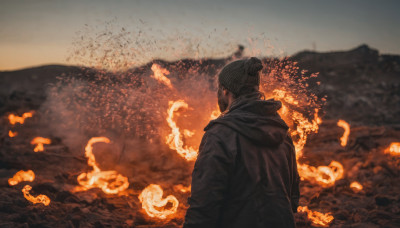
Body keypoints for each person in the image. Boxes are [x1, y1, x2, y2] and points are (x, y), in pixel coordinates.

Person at [183, 57, 300, 228]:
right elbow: (293, 198)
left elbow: (204, 207)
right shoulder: (281, 131)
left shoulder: (219, 134)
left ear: (225, 91)